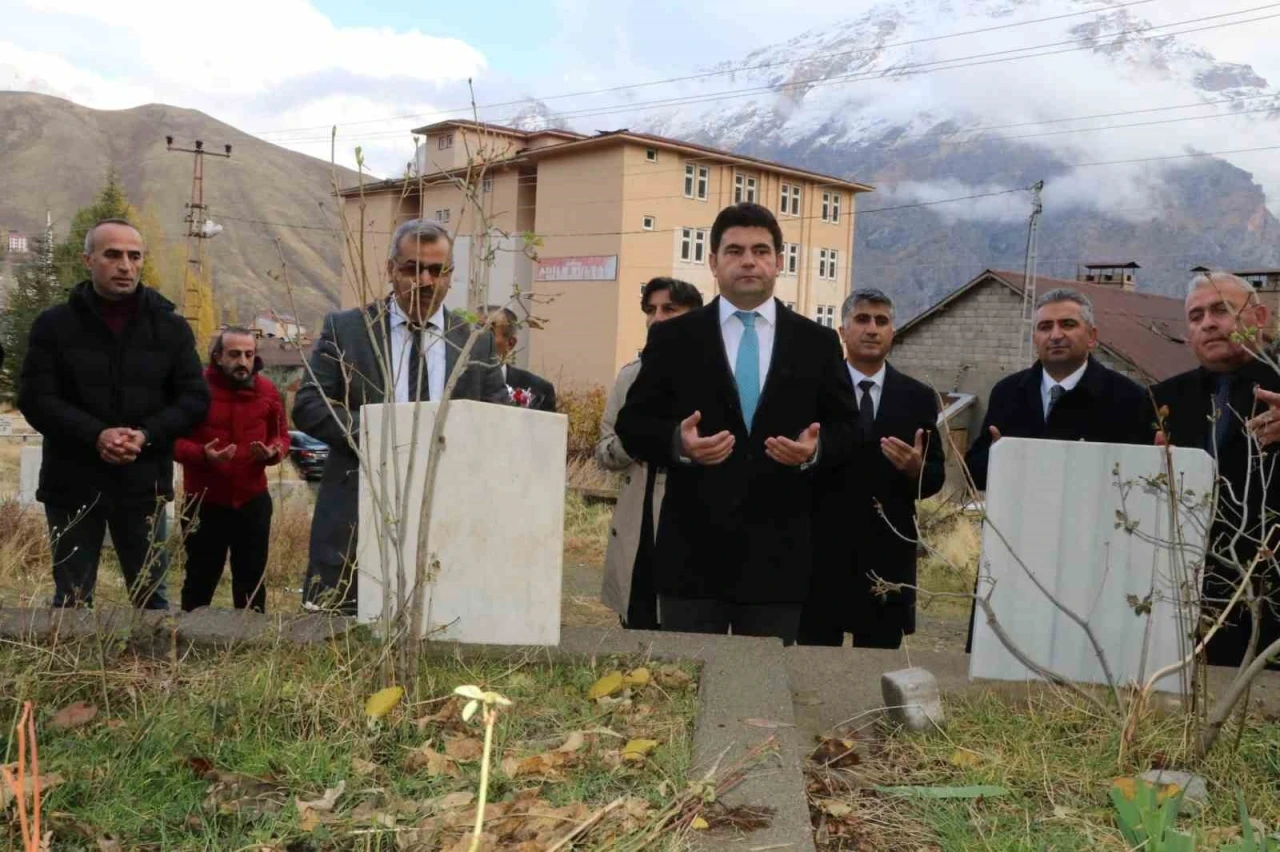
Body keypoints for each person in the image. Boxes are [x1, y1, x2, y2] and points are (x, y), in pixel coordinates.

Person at [614, 203, 858, 645]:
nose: (749, 260)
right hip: (691, 557)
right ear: (713, 262)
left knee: (767, 695)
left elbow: (849, 431)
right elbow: (633, 424)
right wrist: (678, 443)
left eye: (761, 250)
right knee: (685, 686)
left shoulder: (817, 343)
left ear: (779, 262)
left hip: (779, 562)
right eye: (735, 250)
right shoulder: (674, 338)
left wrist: (815, 452)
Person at [293, 218, 510, 613]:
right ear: (391, 269)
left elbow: (497, 420)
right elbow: (309, 403)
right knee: (341, 638)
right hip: (356, 516)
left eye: (436, 270)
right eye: (412, 268)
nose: (424, 281)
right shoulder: (348, 330)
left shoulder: (475, 341)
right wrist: (382, 433)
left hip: (447, 517)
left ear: (450, 276)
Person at [18, 218, 209, 609]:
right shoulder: (54, 325)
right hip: (71, 482)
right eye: (113, 254)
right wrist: (96, 435)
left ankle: (152, 672)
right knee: (72, 598)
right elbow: (36, 398)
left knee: (151, 597)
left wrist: (146, 434)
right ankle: (71, 671)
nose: (125, 265)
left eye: (134, 256)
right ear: (88, 260)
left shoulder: (170, 328)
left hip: (143, 483)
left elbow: (194, 399)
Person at [1147, 271, 1280, 669]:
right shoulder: (1162, 399)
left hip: (1270, 584)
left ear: (1258, 318)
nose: (1208, 323)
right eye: (1196, 316)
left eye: (1221, 310)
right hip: (1189, 586)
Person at [799, 288, 945, 648]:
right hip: (820, 553)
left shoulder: (918, 397)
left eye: (882, 321)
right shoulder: (811, 390)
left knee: (875, 673)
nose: (872, 329)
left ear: (893, 332)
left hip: (886, 556)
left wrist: (916, 469)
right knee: (814, 672)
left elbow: (935, 476)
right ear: (842, 331)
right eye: (862, 319)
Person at [598, 277, 705, 629]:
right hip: (638, 526)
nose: (657, 318)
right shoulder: (629, 378)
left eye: (669, 309)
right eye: (650, 310)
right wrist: (638, 438)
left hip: (694, 528)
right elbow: (604, 452)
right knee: (637, 630)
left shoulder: (713, 376)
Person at [964, 288, 1149, 491]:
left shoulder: (1128, 398)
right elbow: (974, 474)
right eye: (1045, 327)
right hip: (1016, 518)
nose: (1055, 335)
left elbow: (1138, 479)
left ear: (1091, 336)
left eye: (1068, 324)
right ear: (1035, 338)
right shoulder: (1008, 392)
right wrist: (1001, 457)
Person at [173, 327, 289, 612]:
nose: (243, 362)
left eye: (249, 355)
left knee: (251, 579)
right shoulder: (194, 390)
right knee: (200, 577)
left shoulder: (267, 391)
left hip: (252, 501)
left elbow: (281, 436)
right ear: (217, 357)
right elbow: (171, 441)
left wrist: (274, 452)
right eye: (235, 354)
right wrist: (203, 455)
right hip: (204, 501)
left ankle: (251, 646)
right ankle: (188, 643)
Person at [485, 305, 557, 412]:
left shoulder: (539, 391)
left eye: (488, 332)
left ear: (510, 344)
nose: (476, 339)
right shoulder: (455, 383)